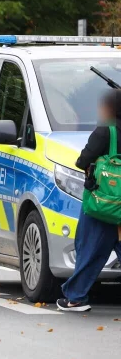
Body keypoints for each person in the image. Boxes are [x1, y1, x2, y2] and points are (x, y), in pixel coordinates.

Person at [58, 90, 121, 312]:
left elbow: (82, 160)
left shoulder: (106, 132)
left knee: (89, 249)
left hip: (103, 203)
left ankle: (75, 298)